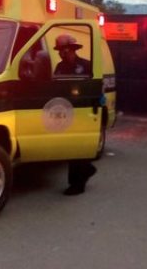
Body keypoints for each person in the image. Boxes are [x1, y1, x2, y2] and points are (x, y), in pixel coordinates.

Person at [53, 34, 97, 195]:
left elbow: (93, 87)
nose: (60, 53)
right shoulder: (59, 67)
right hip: (66, 110)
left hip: (83, 110)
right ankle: (88, 169)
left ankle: (77, 184)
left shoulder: (86, 66)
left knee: (77, 147)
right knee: (71, 146)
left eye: (62, 50)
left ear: (70, 49)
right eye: (59, 50)